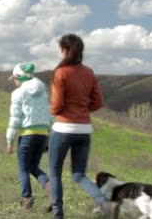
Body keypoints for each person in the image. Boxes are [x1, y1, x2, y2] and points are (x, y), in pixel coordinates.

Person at [47, 34, 118, 219]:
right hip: (84, 129)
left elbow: (55, 106)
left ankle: (58, 213)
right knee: (79, 174)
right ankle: (105, 203)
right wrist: (82, 110)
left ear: (64, 50)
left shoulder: (60, 72)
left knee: (54, 173)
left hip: (63, 128)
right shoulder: (89, 72)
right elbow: (97, 102)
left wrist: (57, 111)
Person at [6, 62, 53, 211]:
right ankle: (51, 190)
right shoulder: (43, 92)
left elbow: (15, 119)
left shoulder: (18, 93)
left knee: (24, 169)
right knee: (33, 166)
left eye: (14, 78)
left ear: (19, 77)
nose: (14, 81)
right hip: (43, 135)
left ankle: (27, 200)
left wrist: (9, 140)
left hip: (27, 135)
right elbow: (49, 116)